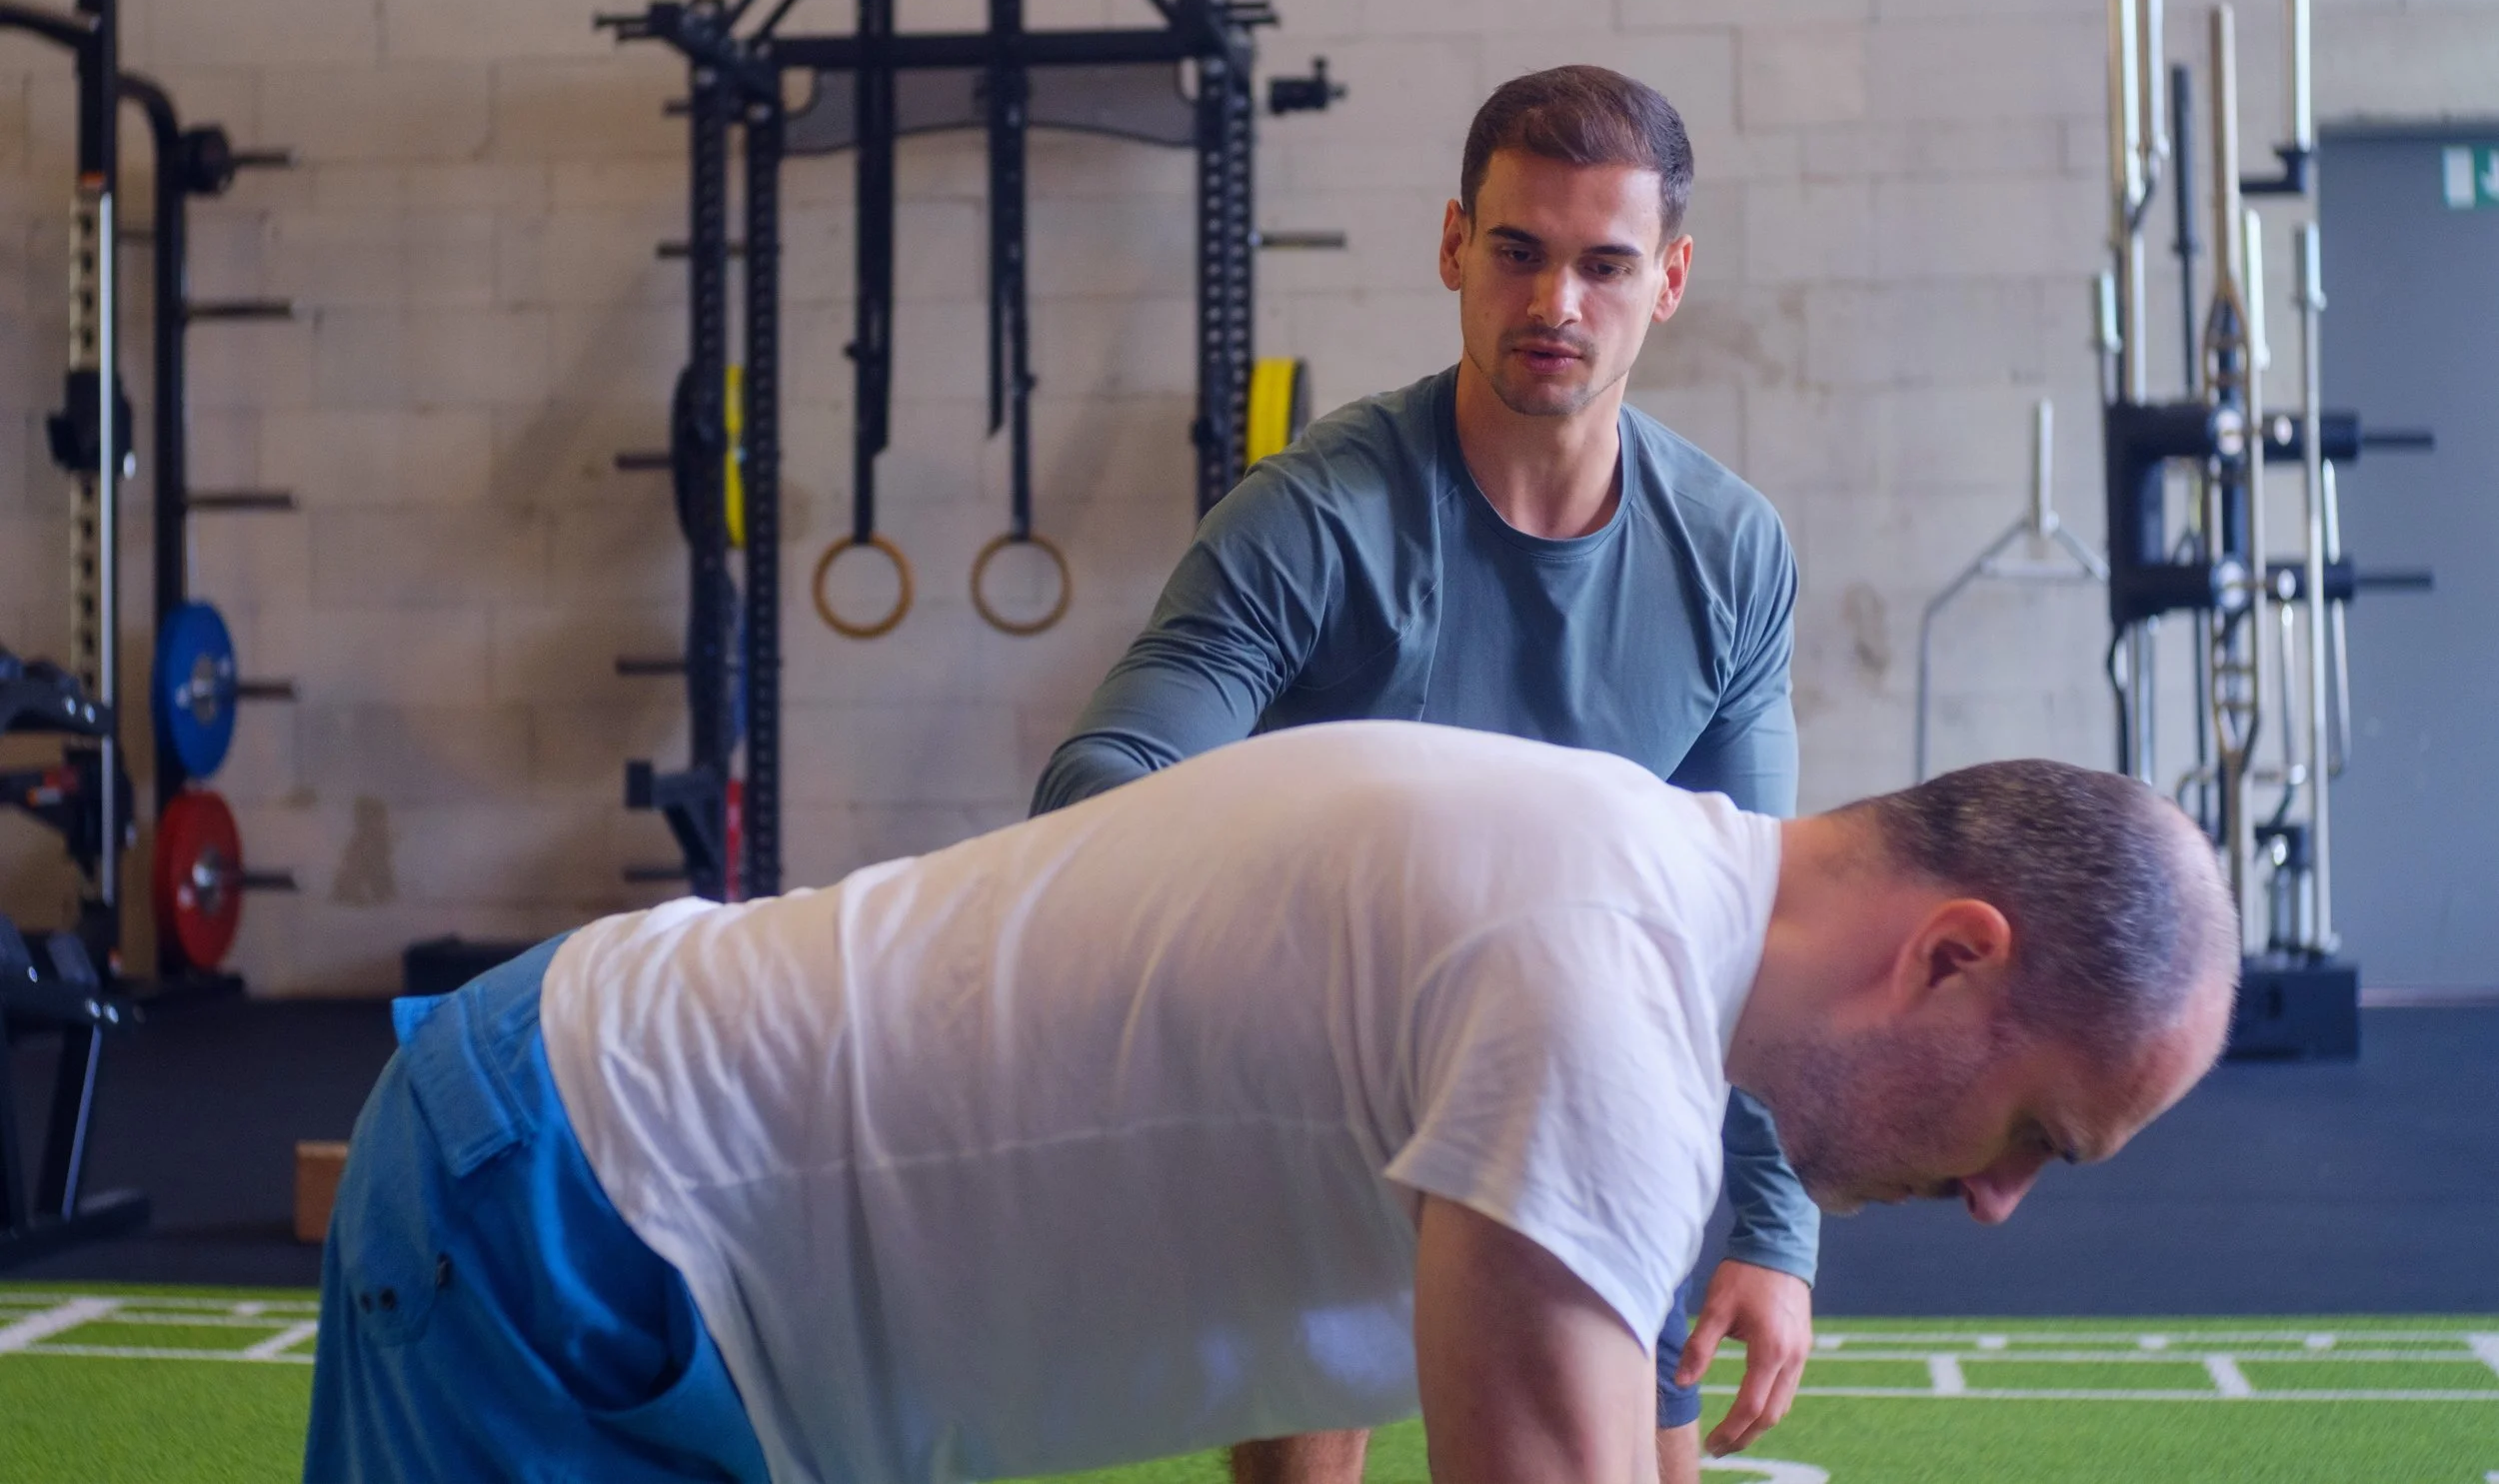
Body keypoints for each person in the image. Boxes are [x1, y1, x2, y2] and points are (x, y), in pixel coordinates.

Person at [306, 724, 2241, 1484]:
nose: (1994, 1199)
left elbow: (1300, 1256)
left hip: (667, 1248)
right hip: (574, 1212)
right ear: (1950, 954)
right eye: (2030, 1135)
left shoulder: (1617, 901)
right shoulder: (1598, 994)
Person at [1032, 65, 1808, 1483]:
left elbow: (1752, 921)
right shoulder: (1313, 517)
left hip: (1574, 1090)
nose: (1555, 302)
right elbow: (1109, 776)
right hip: (1327, 1079)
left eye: (1604, 263)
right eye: (1517, 251)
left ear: (1671, 278)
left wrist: (1773, 1229)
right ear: (1455, 246)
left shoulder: (1731, 555)